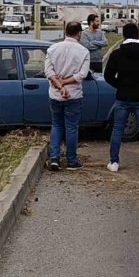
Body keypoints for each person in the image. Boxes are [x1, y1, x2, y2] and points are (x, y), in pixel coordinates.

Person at [104, 22, 139, 174]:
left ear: (123, 36)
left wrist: (120, 85)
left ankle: (114, 162)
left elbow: (108, 75)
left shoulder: (117, 54)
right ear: (138, 34)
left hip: (123, 97)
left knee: (117, 129)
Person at [44, 21, 91, 171]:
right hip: (74, 95)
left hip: (55, 94)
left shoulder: (52, 49)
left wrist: (60, 85)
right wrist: (65, 83)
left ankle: (54, 158)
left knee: (56, 125)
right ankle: (72, 161)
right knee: (71, 127)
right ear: (79, 34)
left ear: (65, 32)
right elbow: (82, 75)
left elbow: (48, 72)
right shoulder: (83, 52)